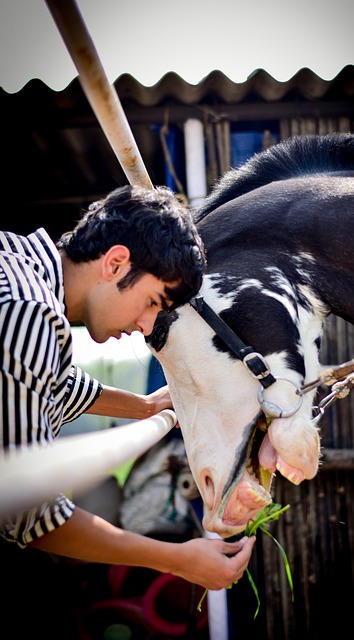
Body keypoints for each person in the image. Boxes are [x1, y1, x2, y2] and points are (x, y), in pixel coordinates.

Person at [0, 184, 255, 593]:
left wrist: (145, 407)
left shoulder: (15, 270)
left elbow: (51, 386)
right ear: (116, 263)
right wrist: (175, 560)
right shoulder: (30, 313)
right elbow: (27, 515)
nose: (147, 326)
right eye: (152, 302)